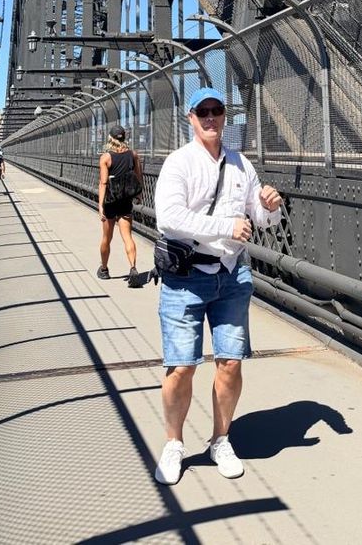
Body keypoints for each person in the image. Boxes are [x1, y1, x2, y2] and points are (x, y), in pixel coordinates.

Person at [153, 86, 283, 486]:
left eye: (217, 111)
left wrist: (271, 207)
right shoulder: (179, 164)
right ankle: (174, 443)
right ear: (190, 118)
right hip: (185, 278)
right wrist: (226, 226)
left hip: (233, 275)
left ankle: (220, 439)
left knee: (230, 363)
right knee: (181, 368)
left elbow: (260, 220)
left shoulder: (242, 165)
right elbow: (169, 218)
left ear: (225, 116)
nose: (210, 118)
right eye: (202, 112)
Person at [97, 126, 143, 287]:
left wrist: (100, 205)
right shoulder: (133, 155)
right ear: (124, 138)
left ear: (110, 138)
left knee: (106, 238)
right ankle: (133, 267)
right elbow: (138, 176)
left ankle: (104, 269)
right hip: (125, 201)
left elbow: (103, 183)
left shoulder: (106, 158)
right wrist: (139, 194)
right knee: (127, 237)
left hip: (110, 201)